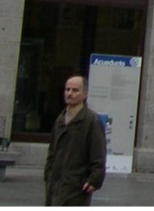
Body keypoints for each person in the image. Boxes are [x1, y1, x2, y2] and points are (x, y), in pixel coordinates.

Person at [43, 74, 106, 206]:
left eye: (75, 90)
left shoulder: (91, 120)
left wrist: (94, 180)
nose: (70, 93)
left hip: (77, 186)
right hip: (55, 184)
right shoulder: (60, 119)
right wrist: (48, 174)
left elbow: (98, 154)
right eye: (67, 90)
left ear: (85, 94)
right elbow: (52, 151)